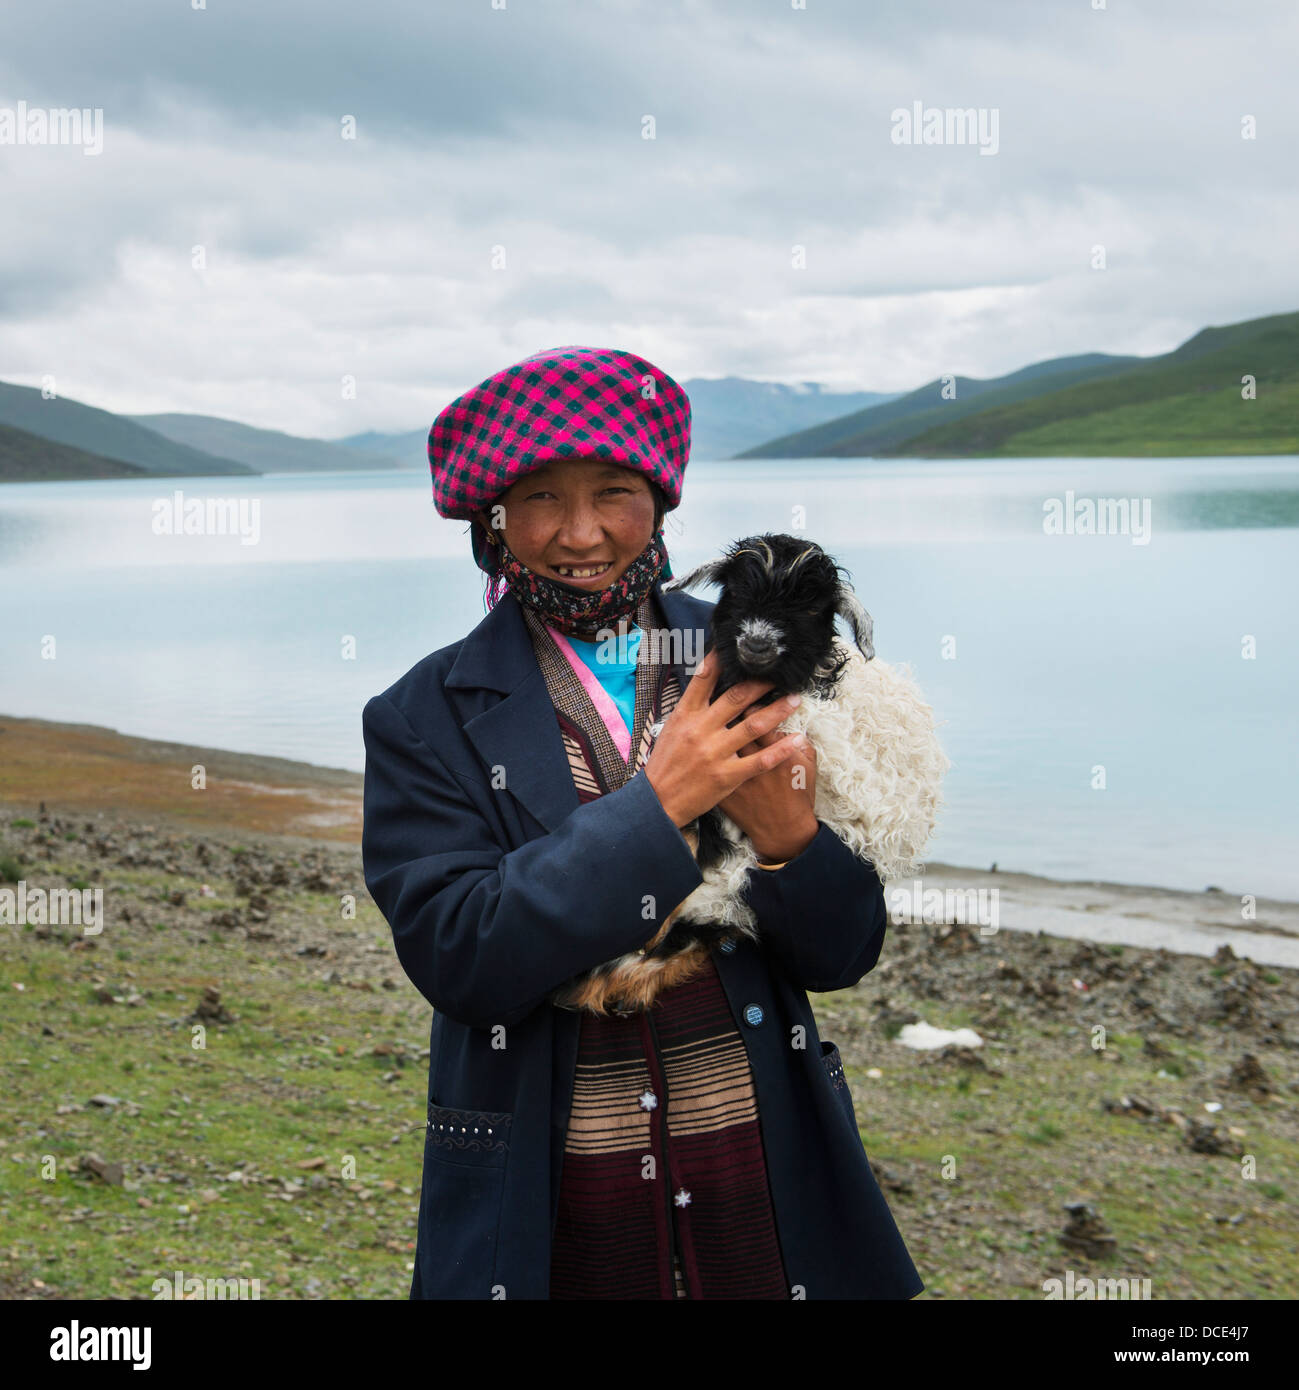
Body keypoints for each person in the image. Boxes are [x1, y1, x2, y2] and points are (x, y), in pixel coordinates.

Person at [360, 345, 924, 1300]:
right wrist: (659, 807)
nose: (580, 533)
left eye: (614, 491)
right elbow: (462, 958)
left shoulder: (768, 656)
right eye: (539, 497)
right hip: (558, 1197)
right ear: (492, 520)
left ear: (660, 502)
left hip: (759, 1174)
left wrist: (792, 847)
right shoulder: (426, 713)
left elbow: (841, 955)